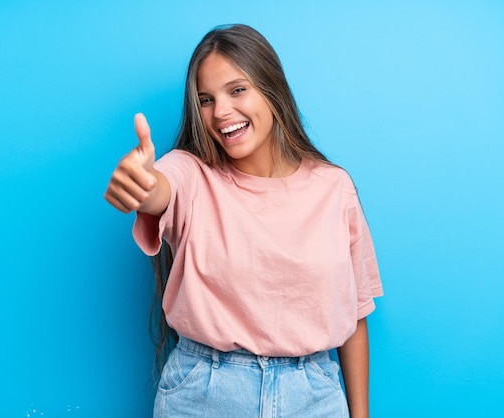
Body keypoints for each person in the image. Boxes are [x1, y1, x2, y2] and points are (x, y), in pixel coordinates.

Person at [105, 24, 383, 418]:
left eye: (237, 90)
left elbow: (354, 314)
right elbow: (161, 189)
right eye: (205, 99)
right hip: (204, 396)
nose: (220, 112)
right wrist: (140, 185)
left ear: (272, 90)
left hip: (315, 397)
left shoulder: (334, 187)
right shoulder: (191, 173)